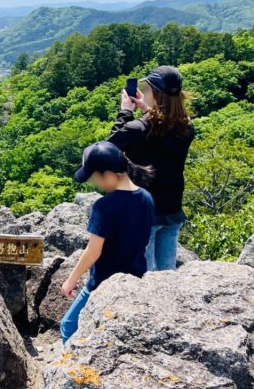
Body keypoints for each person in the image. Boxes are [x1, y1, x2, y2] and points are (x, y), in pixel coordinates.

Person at [59, 141, 154, 344]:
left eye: (95, 179)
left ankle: (72, 372)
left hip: (103, 283)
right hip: (135, 278)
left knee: (68, 326)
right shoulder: (146, 198)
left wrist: (71, 280)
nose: (96, 185)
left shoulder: (104, 206)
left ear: (108, 173)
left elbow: (93, 251)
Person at [108, 65, 194, 271]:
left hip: (145, 210)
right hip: (172, 207)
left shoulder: (137, 129)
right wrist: (147, 109)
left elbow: (109, 146)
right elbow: (164, 130)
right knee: (167, 273)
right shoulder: (187, 127)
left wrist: (125, 111)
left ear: (155, 94)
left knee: (145, 274)